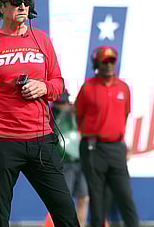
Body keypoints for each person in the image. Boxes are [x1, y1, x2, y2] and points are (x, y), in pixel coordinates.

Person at [0, 0, 80, 227]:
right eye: (16, 2)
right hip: (1, 142)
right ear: (1, 6)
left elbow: (58, 84)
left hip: (41, 140)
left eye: (27, 2)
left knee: (66, 214)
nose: (22, 7)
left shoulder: (42, 40)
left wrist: (44, 87)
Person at [75, 46, 140, 227]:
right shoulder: (87, 87)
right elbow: (78, 116)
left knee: (125, 196)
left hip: (116, 148)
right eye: (105, 61)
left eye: (112, 61)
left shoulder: (124, 87)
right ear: (97, 64)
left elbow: (125, 115)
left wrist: (117, 138)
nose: (109, 65)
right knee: (97, 199)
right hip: (93, 148)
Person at [52, 90, 89, 227]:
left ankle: (81, 224)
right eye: (62, 103)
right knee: (63, 200)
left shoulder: (76, 115)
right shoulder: (52, 116)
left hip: (80, 161)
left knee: (83, 197)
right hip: (64, 162)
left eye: (66, 102)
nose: (65, 105)